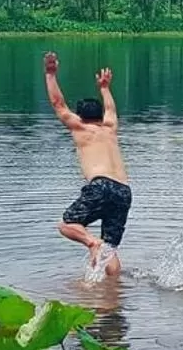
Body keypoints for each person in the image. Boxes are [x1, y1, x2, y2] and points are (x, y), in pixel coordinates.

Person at [45, 52, 128, 276]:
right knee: (110, 249)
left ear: (80, 116)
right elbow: (111, 109)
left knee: (67, 224)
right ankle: (114, 291)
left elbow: (58, 104)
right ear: (100, 116)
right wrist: (105, 88)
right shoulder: (109, 127)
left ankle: (92, 244)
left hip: (101, 185)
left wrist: (51, 74)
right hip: (124, 190)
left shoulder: (79, 127)